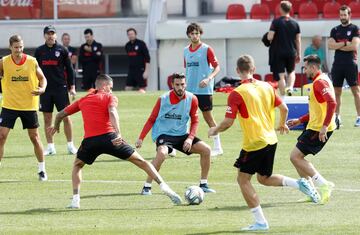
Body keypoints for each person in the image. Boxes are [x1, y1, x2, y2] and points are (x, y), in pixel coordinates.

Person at [208, 55, 319, 232]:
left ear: (238, 71)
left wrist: (215, 130)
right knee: (263, 178)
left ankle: (260, 222)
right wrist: (281, 124)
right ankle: (299, 184)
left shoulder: (237, 93)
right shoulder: (267, 86)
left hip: (254, 142)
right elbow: (284, 108)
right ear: (254, 69)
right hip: (270, 140)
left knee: (243, 179)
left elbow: (228, 122)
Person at [48, 74, 182, 209]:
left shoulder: (84, 99)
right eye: (110, 88)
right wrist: (118, 132)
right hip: (111, 139)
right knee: (142, 162)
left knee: (77, 165)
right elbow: (112, 111)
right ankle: (164, 186)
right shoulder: (109, 97)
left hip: (90, 141)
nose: (111, 91)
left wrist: (56, 126)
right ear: (105, 86)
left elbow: (60, 114)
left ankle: (75, 200)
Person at [135, 73, 216, 195]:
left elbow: (195, 121)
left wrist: (190, 138)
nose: (180, 87)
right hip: (164, 134)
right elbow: (151, 119)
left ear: (186, 84)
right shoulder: (163, 99)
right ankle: (147, 187)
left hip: (182, 136)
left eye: (182, 84)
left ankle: (203, 184)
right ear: (172, 85)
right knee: (161, 154)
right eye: (177, 85)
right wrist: (141, 138)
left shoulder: (192, 99)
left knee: (206, 150)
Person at [287, 55, 337, 205]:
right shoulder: (322, 80)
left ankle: (323, 184)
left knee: (295, 157)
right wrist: (299, 120)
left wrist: (323, 127)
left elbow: (332, 103)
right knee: (296, 158)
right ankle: (312, 192)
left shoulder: (319, 83)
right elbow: (318, 109)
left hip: (318, 128)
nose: (305, 70)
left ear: (313, 67)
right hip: (314, 126)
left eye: (306, 67)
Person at [0, 35, 48, 180]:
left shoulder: (32, 61)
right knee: (1, 137)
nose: (19, 50)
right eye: (16, 47)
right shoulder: (3, 62)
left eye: (21, 47)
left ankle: (42, 170)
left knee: (34, 137)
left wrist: (42, 89)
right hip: (9, 105)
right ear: (10, 47)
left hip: (29, 105)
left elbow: (42, 78)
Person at [34, 25, 77, 156]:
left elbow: (70, 69)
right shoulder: (39, 51)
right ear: (44, 35)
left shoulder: (62, 50)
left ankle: (70, 145)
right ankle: (50, 147)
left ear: (56, 35)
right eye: (48, 33)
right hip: (45, 90)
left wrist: (72, 87)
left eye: (52, 33)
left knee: (65, 116)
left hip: (60, 89)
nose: (50, 35)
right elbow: (34, 70)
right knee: (47, 118)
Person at [184, 22, 223, 157]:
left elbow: (217, 67)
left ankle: (218, 147)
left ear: (200, 34)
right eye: (192, 33)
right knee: (185, 117)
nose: (194, 36)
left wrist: (209, 78)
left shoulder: (207, 49)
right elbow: (188, 69)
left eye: (197, 33)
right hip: (189, 91)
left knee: (208, 118)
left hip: (204, 91)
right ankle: (182, 145)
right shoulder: (185, 50)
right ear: (188, 35)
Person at [328, 5, 360, 128]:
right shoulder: (335, 30)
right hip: (337, 64)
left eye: (344, 15)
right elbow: (330, 45)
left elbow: (354, 46)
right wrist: (346, 42)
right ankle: (337, 117)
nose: (342, 17)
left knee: (356, 91)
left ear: (349, 15)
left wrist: (339, 44)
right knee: (336, 92)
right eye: (341, 15)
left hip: (350, 63)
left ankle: (359, 117)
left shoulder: (355, 29)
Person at [267, 0, 301, 96]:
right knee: (291, 72)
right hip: (291, 52)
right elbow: (298, 40)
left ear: (281, 9)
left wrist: (268, 36)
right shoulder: (295, 23)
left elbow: (270, 37)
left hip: (278, 52)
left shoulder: (276, 22)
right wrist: (299, 53)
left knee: (281, 75)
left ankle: (283, 96)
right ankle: (290, 87)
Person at [125, 28, 150, 93]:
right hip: (131, 70)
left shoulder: (141, 44)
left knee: (142, 89)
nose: (131, 35)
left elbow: (147, 58)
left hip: (141, 70)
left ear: (135, 34)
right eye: (129, 34)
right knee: (127, 88)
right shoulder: (127, 45)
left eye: (132, 34)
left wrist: (146, 71)